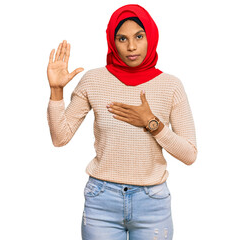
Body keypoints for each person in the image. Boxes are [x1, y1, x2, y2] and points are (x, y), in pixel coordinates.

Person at [46, 4, 198, 240]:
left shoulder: (171, 86)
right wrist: (56, 90)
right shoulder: (93, 80)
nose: (131, 46)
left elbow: (190, 155)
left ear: (151, 36)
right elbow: (60, 138)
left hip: (152, 203)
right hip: (102, 201)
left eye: (139, 36)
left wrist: (152, 123)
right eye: (122, 38)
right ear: (112, 42)